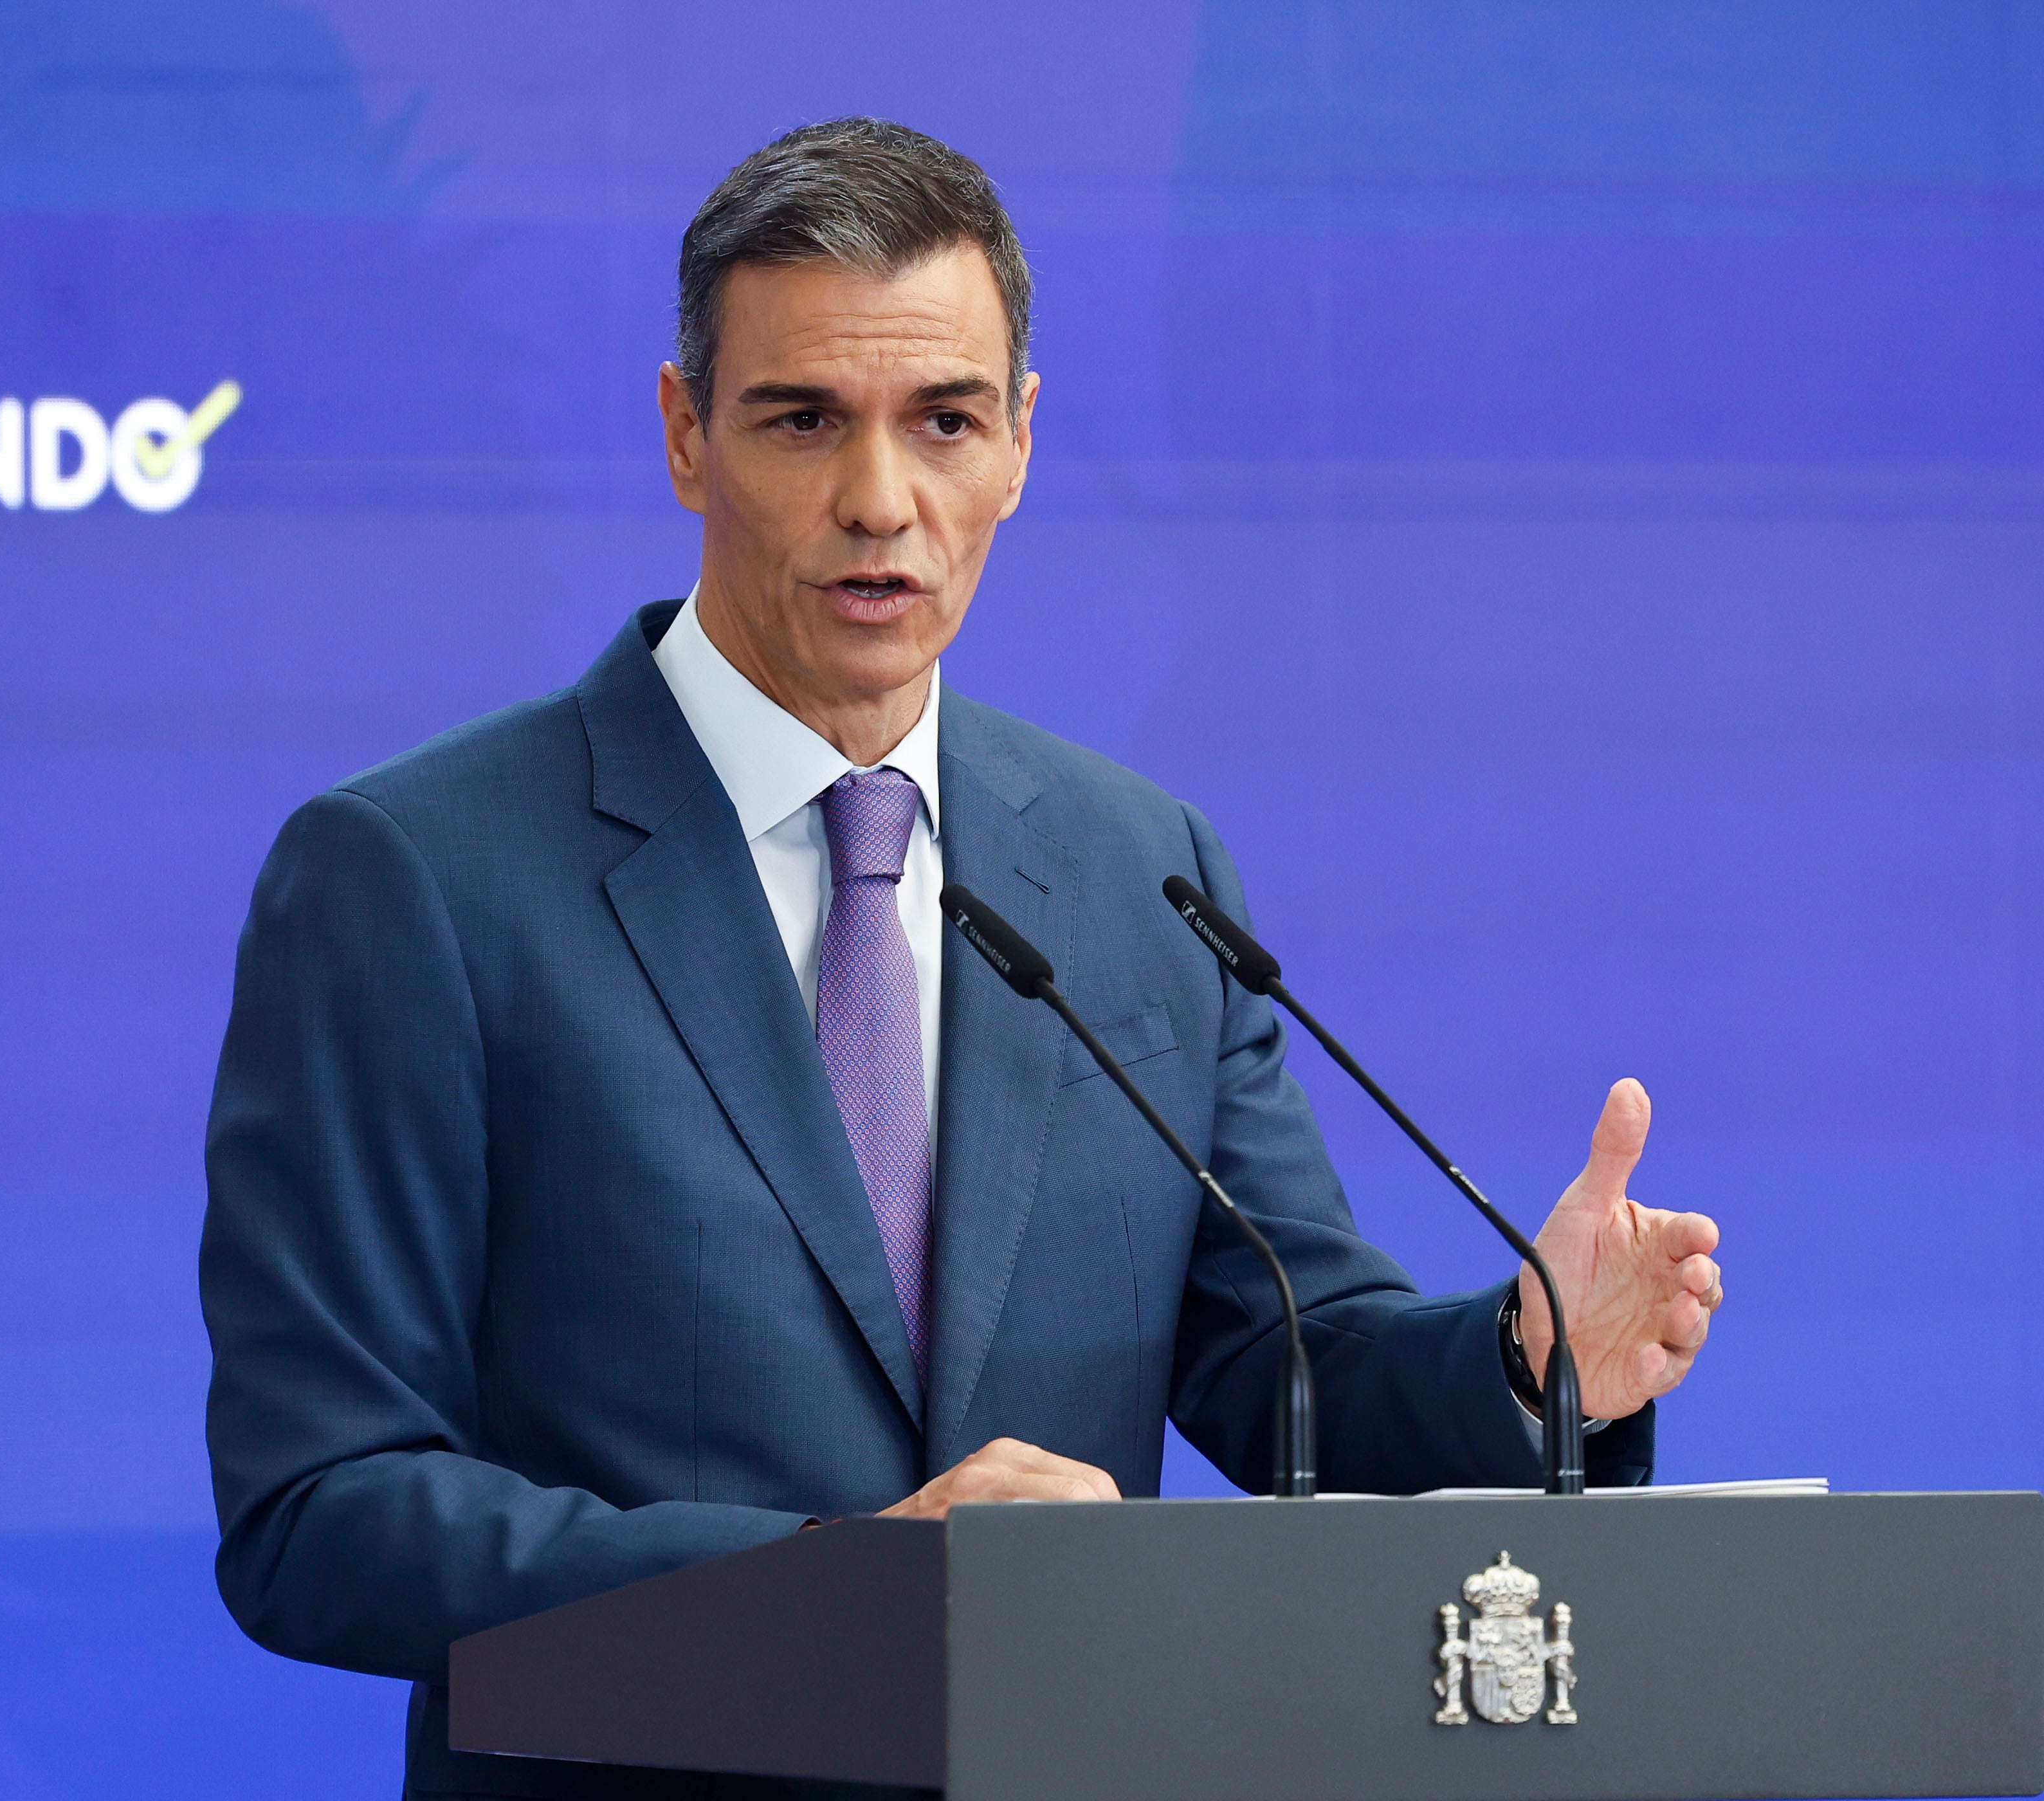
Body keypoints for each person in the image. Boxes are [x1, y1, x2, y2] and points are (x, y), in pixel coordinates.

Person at [201, 117, 1724, 1800]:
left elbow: (1285, 1363)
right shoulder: (419, 878)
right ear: (684, 434)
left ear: (1020, 443)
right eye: (802, 420)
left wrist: (1524, 1355)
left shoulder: (1140, 869)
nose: (881, 501)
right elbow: (318, 1514)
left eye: (944, 421)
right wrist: (844, 1582)